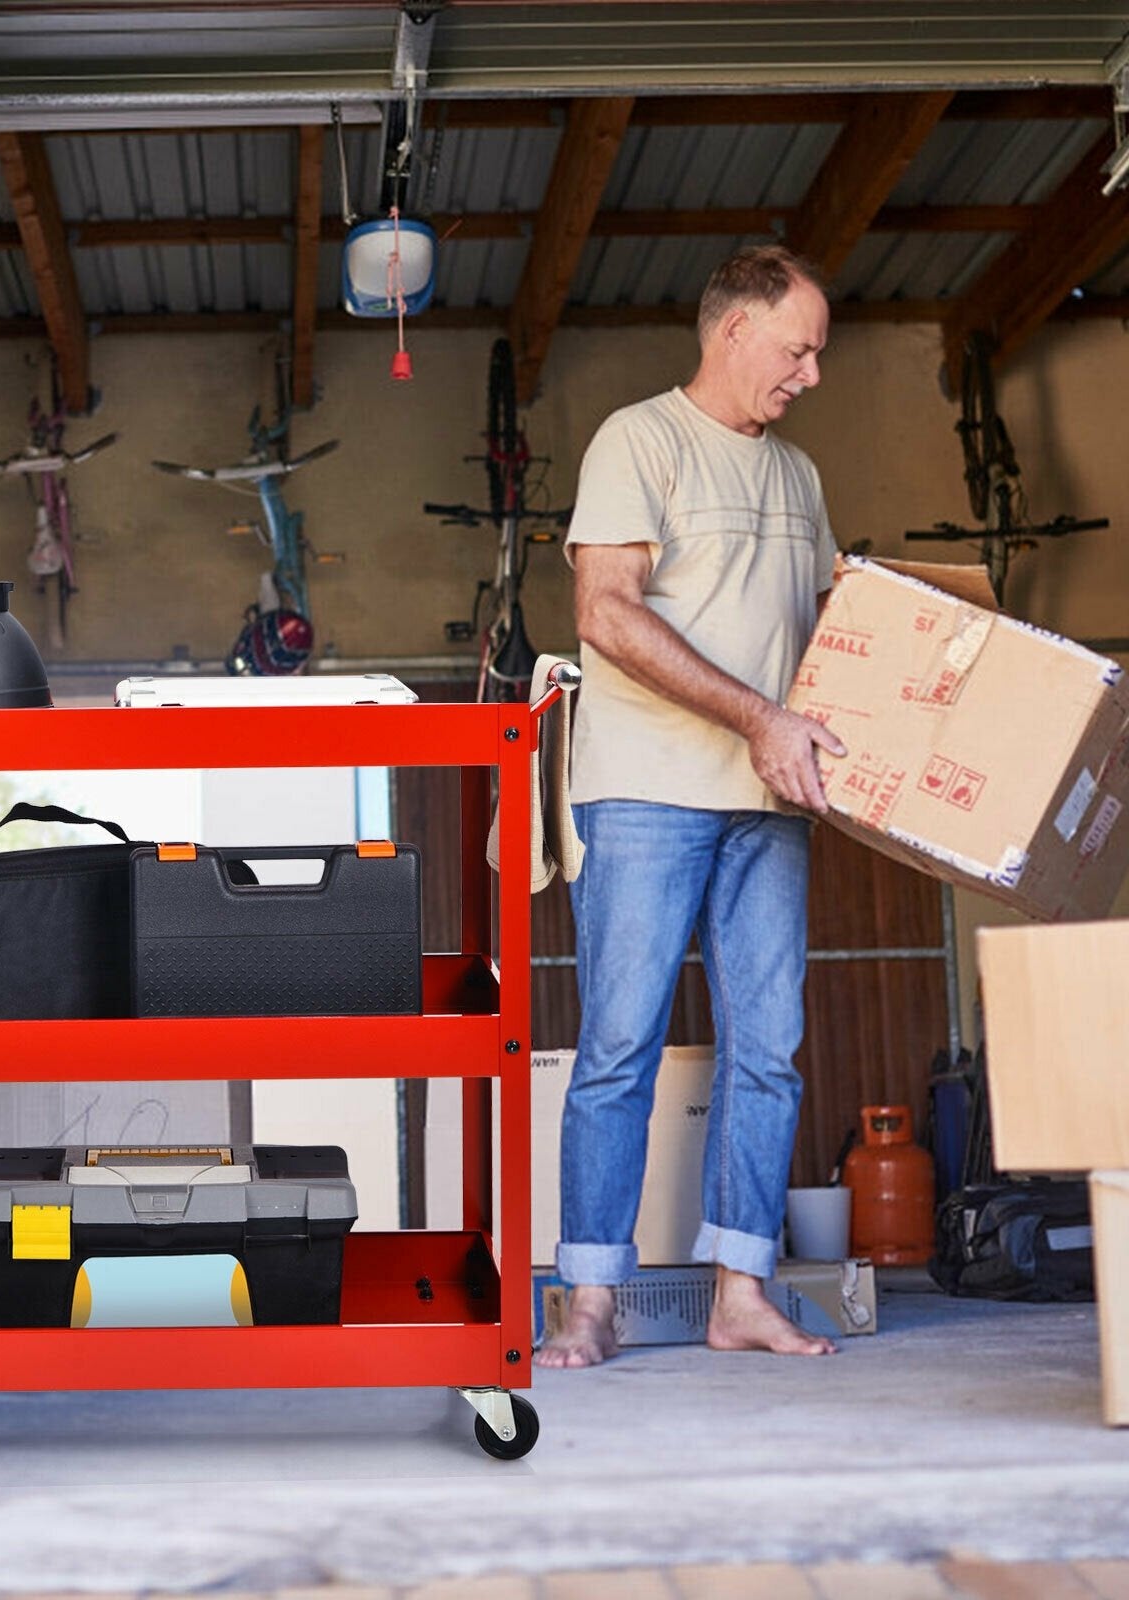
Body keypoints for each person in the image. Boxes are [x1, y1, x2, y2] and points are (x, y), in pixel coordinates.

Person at [536, 243, 848, 1370]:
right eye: (797, 348)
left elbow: (826, 636)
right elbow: (606, 613)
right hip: (647, 792)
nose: (809, 374)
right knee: (618, 1047)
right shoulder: (640, 439)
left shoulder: (799, 477)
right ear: (733, 331)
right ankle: (590, 1303)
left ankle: (740, 1294)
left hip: (770, 802)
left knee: (768, 1050)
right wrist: (757, 717)